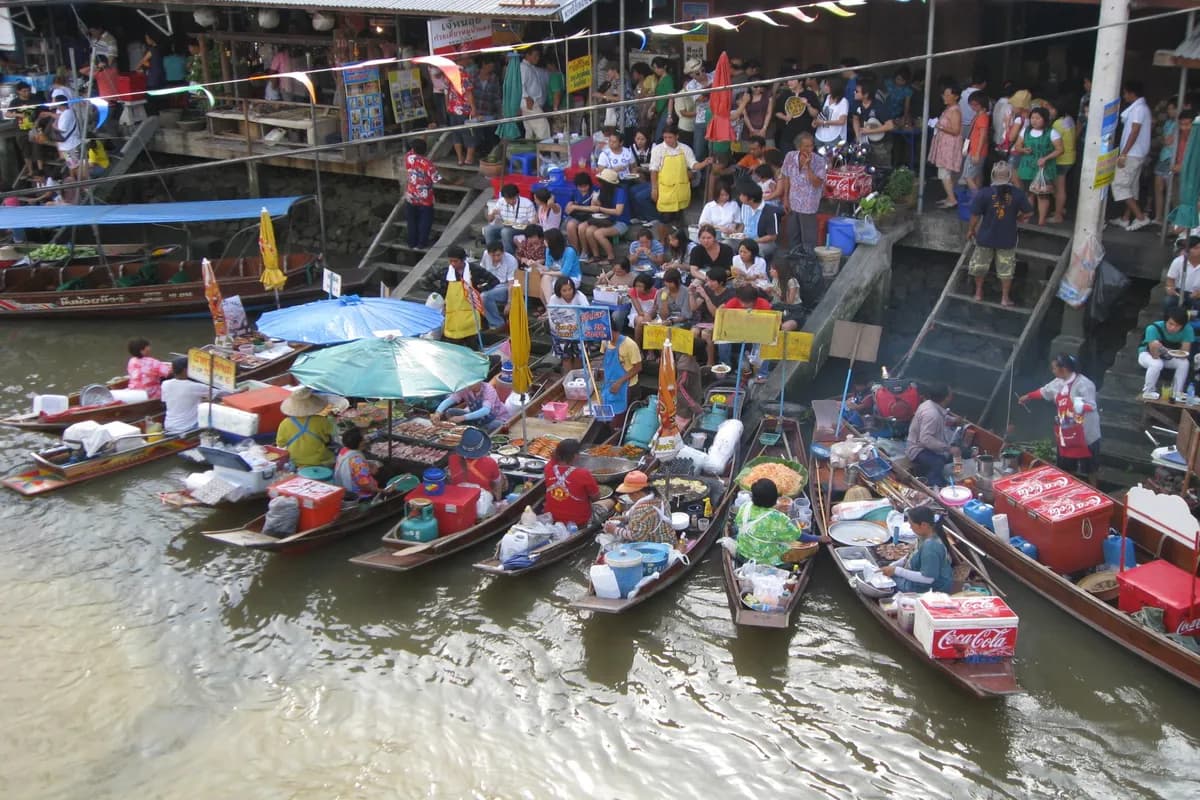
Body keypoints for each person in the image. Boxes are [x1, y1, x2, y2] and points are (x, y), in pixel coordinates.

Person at [1019, 353, 1101, 483]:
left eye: (1054, 368)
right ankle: (1069, 486)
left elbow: (1091, 406)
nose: (1053, 371)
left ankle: (1096, 489)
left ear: (1064, 369)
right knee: (1067, 466)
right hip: (1067, 431)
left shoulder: (1085, 384)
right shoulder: (1058, 383)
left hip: (1086, 432)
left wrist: (1078, 406)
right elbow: (1044, 391)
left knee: (1090, 467)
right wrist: (1028, 396)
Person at [967, 162, 1033, 307]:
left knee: (979, 266)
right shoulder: (1018, 194)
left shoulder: (984, 193)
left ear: (993, 176)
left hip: (985, 237)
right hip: (1007, 238)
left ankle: (978, 293)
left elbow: (975, 215)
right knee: (1006, 270)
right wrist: (1018, 218)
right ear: (1009, 176)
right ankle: (1004, 298)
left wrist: (971, 230)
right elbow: (1029, 212)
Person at [734, 478, 826, 565]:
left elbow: (738, 523)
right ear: (774, 499)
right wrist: (819, 538)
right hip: (763, 558)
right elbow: (799, 536)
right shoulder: (777, 518)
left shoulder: (745, 506)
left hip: (743, 551)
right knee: (814, 547)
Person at [650, 125, 711, 239]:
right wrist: (654, 189)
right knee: (664, 219)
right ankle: (662, 242)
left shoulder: (685, 149)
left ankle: (676, 241)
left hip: (681, 191)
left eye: (670, 137)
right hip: (665, 191)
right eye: (665, 137)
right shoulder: (658, 150)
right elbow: (654, 170)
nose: (667, 140)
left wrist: (704, 163)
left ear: (677, 136)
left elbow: (693, 165)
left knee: (678, 218)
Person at [1110, 81, 1154, 231]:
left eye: (1125, 93)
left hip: (1132, 153)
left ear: (1131, 93)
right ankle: (1126, 218)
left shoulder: (1138, 109)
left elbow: (1134, 131)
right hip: (1137, 153)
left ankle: (1141, 217)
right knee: (1131, 187)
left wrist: (1123, 153)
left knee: (1119, 185)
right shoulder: (1141, 108)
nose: (1124, 96)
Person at [880, 506, 954, 594]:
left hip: (931, 590)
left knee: (887, 583)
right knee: (885, 574)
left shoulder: (931, 547)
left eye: (912, 525)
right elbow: (909, 557)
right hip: (918, 581)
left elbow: (928, 579)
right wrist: (893, 565)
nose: (910, 528)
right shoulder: (922, 537)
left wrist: (896, 570)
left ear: (923, 525)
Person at [1013, 107, 1062, 226]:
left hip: (1044, 168)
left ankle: (1041, 220)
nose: (1034, 120)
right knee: (1028, 193)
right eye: (1032, 118)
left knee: (1042, 195)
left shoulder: (1052, 133)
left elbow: (1060, 150)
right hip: (1027, 167)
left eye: (1038, 118)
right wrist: (1023, 149)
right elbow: (1017, 146)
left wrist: (1046, 158)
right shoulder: (1025, 131)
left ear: (1044, 119)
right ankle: (1028, 217)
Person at [905, 383, 960, 487]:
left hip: (928, 445)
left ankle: (958, 474)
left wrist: (953, 420)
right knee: (938, 462)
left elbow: (942, 416)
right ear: (947, 398)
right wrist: (948, 448)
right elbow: (926, 439)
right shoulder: (932, 414)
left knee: (959, 452)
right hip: (918, 449)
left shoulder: (929, 404)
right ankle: (934, 485)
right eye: (950, 393)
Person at [780, 132, 828, 248]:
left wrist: (808, 167)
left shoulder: (819, 161)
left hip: (808, 205)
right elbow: (786, 176)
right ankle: (795, 261)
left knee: (809, 239)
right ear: (799, 147)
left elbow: (817, 183)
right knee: (793, 235)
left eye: (811, 146)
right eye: (806, 146)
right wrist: (785, 198)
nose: (809, 149)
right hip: (793, 201)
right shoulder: (790, 156)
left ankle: (808, 262)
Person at [1137, 307, 1195, 398]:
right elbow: (1154, 355)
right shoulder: (1153, 328)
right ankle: (1148, 391)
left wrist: (1167, 351)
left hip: (1169, 355)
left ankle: (1176, 393)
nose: (1173, 328)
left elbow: (1184, 354)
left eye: (1177, 326)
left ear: (1183, 326)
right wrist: (1157, 347)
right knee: (1157, 363)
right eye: (1170, 324)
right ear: (1165, 321)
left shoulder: (1187, 330)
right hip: (1147, 354)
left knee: (1184, 363)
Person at [603, 470, 673, 545]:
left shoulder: (641, 511)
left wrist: (615, 530)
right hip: (668, 537)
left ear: (636, 493)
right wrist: (625, 518)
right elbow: (649, 520)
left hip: (656, 545)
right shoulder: (660, 497)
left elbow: (637, 536)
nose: (629, 497)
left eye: (629, 494)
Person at [544, 438, 601, 527]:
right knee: (609, 502)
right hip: (579, 521)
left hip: (552, 517)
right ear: (575, 456)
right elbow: (596, 497)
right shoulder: (583, 474)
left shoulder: (548, 468)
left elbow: (553, 458)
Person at [276, 387, 336, 469]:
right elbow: (334, 434)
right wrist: (331, 418)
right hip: (320, 460)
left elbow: (280, 444)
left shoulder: (284, 423)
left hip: (296, 461)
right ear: (313, 404)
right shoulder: (321, 420)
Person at [581, 169, 629, 264]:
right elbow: (598, 206)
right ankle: (596, 256)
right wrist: (594, 201)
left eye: (602, 182)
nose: (600, 183)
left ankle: (611, 257)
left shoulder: (620, 192)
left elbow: (618, 211)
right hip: (607, 220)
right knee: (589, 231)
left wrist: (600, 209)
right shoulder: (602, 190)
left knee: (598, 233)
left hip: (621, 222)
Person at [928, 83, 964, 209]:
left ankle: (952, 199)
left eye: (948, 94)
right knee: (945, 172)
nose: (944, 96)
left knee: (944, 173)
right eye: (944, 94)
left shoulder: (954, 111)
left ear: (956, 96)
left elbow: (955, 130)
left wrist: (939, 126)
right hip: (945, 144)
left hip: (949, 146)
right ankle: (949, 197)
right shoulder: (950, 108)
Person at [447, 427, 506, 500]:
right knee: (501, 477)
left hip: (459, 496)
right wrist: (498, 500)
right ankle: (497, 500)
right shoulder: (490, 462)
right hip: (483, 499)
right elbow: (497, 483)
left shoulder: (452, 458)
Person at [690, 268, 734, 365]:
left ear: (721, 282)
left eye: (712, 281)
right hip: (704, 321)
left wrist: (706, 297)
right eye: (708, 280)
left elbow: (716, 314)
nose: (709, 283)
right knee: (693, 332)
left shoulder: (730, 294)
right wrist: (691, 294)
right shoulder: (707, 289)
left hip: (720, 322)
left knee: (706, 334)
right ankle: (692, 362)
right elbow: (694, 308)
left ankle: (710, 363)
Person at [600, 317, 642, 418]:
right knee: (608, 416)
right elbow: (605, 360)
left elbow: (638, 367)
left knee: (621, 417)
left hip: (628, 387)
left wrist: (620, 382)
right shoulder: (605, 342)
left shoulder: (630, 345)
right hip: (609, 385)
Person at [160, 357, 214, 434]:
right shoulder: (195, 386)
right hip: (187, 427)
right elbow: (222, 394)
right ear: (185, 370)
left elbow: (166, 401)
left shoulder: (165, 384)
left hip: (169, 425)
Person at [433, 380, 510, 432]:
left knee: (495, 425)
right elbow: (451, 399)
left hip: (494, 419)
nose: (469, 384)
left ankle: (475, 430)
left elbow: (485, 410)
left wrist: (463, 417)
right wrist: (438, 412)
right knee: (450, 411)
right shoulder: (465, 388)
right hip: (476, 419)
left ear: (479, 380)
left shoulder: (488, 389)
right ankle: (470, 429)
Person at [1046, 96, 1077, 224]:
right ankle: (1060, 208)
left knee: (1059, 188)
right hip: (1070, 157)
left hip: (1061, 159)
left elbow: (1053, 143)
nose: (1050, 111)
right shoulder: (1069, 119)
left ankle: (1058, 215)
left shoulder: (1057, 124)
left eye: (1052, 109)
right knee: (1058, 187)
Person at [404, 139, 440, 249]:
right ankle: (421, 243)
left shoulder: (409, 158)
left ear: (413, 149)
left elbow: (411, 149)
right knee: (425, 222)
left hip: (411, 195)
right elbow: (436, 179)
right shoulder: (428, 164)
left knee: (411, 221)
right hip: (425, 198)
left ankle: (411, 242)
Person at [851, 76, 894, 168]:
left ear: (866, 94)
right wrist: (858, 135)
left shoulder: (879, 107)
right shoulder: (856, 104)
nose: (854, 93)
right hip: (864, 142)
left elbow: (890, 125)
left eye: (857, 91)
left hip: (881, 144)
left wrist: (869, 131)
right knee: (863, 167)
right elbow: (855, 119)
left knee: (882, 169)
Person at [547, 276, 587, 372]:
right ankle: (568, 378)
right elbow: (552, 319)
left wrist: (576, 328)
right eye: (564, 290)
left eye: (570, 289)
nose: (568, 292)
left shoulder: (580, 296)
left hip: (579, 330)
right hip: (561, 332)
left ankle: (579, 377)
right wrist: (564, 329)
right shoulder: (553, 299)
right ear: (559, 291)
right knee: (566, 358)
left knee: (579, 357)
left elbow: (586, 312)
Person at [1154, 98, 1182, 227]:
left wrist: (1165, 140)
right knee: (1159, 187)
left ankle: (1173, 220)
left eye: (1172, 108)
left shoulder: (1180, 124)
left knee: (1173, 191)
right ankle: (1159, 216)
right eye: (1169, 108)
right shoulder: (1168, 123)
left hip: (1172, 158)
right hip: (1163, 157)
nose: (1170, 111)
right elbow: (1164, 139)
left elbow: (1168, 141)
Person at [534, 228, 582, 305]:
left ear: (553, 241)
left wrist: (547, 273)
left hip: (571, 278)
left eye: (546, 240)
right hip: (557, 275)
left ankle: (550, 309)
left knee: (546, 281)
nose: (544, 242)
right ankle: (550, 309)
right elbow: (548, 267)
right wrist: (536, 264)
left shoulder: (569, 251)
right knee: (544, 281)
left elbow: (564, 273)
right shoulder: (548, 250)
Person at [774, 76, 820, 156]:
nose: (789, 82)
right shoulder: (785, 94)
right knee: (789, 162)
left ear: (800, 82)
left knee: (806, 160)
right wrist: (785, 117)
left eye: (792, 80)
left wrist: (808, 105)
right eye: (788, 80)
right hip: (788, 136)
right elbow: (777, 112)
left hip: (805, 135)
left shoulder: (810, 94)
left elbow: (815, 114)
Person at [479, 240, 519, 330]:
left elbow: (511, 284)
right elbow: (482, 271)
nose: (496, 258)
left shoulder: (511, 260)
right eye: (493, 255)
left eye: (498, 255)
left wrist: (509, 302)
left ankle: (497, 324)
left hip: (504, 286)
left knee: (485, 296)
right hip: (489, 283)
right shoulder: (485, 255)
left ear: (503, 252)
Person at [484, 183, 535, 254]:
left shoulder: (527, 204)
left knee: (505, 232)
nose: (511, 202)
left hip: (522, 228)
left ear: (517, 195)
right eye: (507, 199)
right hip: (506, 225)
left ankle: (509, 255)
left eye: (513, 199)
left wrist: (522, 225)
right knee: (488, 229)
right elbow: (490, 220)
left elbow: (533, 224)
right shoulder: (501, 201)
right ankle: (492, 252)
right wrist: (492, 214)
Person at [736, 182, 780, 263]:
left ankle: (757, 271)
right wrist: (735, 233)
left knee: (755, 250)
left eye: (743, 195)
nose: (740, 197)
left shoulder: (769, 211)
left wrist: (753, 241)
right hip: (744, 239)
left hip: (762, 242)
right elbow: (743, 224)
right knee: (727, 243)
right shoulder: (744, 206)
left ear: (751, 199)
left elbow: (772, 236)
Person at [333, 427, 381, 498]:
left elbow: (352, 467)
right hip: (357, 493)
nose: (365, 441)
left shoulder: (344, 450)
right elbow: (365, 486)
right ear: (359, 443)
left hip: (342, 485)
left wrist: (369, 464)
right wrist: (382, 491)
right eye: (363, 439)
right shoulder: (358, 462)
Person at [444, 64, 476, 166]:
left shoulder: (448, 77)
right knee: (469, 133)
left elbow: (446, 93)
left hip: (452, 109)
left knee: (456, 134)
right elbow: (469, 93)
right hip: (464, 109)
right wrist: (473, 107)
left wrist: (447, 106)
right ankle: (468, 158)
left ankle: (459, 159)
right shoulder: (464, 76)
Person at [1163, 236, 1200, 316]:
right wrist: (1170, 288)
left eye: (1198, 248)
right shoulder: (1178, 261)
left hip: (1197, 293)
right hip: (1179, 291)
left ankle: (1187, 316)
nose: (1197, 250)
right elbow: (1170, 279)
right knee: (1168, 302)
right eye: (1194, 248)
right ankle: (1169, 321)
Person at [961, 92, 991, 192]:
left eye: (975, 105)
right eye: (971, 104)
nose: (973, 107)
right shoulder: (980, 116)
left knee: (968, 176)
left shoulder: (982, 117)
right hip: (976, 150)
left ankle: (977, 199)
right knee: (977, 176)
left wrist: (977, 153)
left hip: (976, 151)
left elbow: (983, 136)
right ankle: (978, 199)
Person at [519, 48, 550, 141]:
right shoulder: (523, 67)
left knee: (530, 131)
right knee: (543, 127)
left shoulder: (530, 67)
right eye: (535, 55)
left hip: (530, 103)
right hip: (530, 103)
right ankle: (543, 151)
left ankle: (531, 152)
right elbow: (520, 84)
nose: (537, 58)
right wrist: (527, 98)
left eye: (538, 56)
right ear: (527, 55)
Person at [564, 171, 598, 254]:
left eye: (585, 186)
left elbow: (594, 209)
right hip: (578, 216)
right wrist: (569, 206)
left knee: (581, 228)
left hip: (590, 217)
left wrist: (576, 207)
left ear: (589, 184)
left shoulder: (595, 191)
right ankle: (575, 251)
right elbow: (568, 209)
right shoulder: (575, 192)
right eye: (580, 187)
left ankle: (585, 251)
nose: (583, 189)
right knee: (570, 225)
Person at [736, 82, 775, 148]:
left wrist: (764, 129)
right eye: (755, 87)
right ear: (750, 87)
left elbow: (769, 112)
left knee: (769, 153)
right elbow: (744, 114)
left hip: (766, 132)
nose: (758, 88)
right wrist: (751, 129)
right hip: (748, 132)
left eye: (760, 86)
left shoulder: (768, 95)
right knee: (750, 154)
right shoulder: (743, 96)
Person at [768, 261, 804, 331]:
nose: (770, 271)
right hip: (779, 306)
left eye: (773, 269)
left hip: (793, 309)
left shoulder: (791, 281)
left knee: (784, 326)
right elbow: (773, 297)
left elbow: (790, 301)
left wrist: (775, 291)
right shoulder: (775, 279)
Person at [815, 78, 849, 146]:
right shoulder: (827, 97)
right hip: (820, 136)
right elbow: (823, 114)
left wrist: (824, 122)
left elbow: (841, 121)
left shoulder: (843, 101)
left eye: (828, 85)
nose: (825, 87)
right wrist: (816, 121)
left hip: (834, 137)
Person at [627, 273, 657, 346]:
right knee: (641, 321)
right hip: (637, 314)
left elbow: (655, 308)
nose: (637, 288)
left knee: (649, 322)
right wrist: (646, 316)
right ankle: (638, 347)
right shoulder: (632, 291)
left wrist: (649, 316)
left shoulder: (656, 292)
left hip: (652, 314)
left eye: (640, 286)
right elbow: (639, 311)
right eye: (637, 286)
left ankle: (650, 350)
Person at [651, 57, 676, 142]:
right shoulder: (659, 79)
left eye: (657, 67)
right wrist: (652, 108)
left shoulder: (668, 79)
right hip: (659, 111)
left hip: (665, 112)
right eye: (654, 68)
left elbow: (670, 97)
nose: (656, 70)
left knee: (659, 136)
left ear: (664, 67)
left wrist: (669, 115)